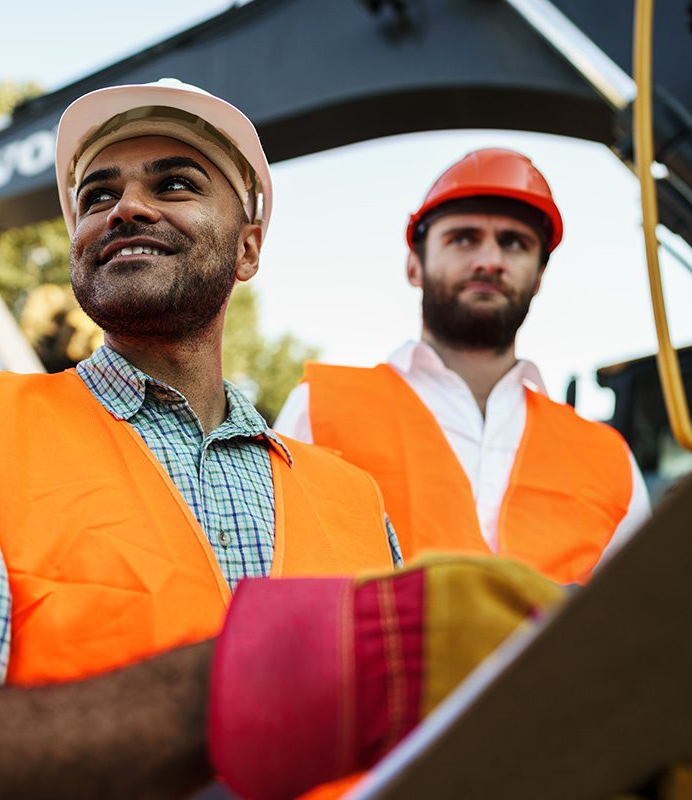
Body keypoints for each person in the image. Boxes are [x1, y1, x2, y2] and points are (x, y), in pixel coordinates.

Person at [0, 85, 562, 800]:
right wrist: (311, 669)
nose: (126, 208)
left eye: (174, 183)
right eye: (98, 194)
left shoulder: (352, 497)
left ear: (248, 248)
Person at [276, 148, 650, 584]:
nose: (489, 260)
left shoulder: (611, 460)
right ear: (414, 264)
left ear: (540, 276)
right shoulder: (319, 409)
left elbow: (641, 621)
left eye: (514, 242)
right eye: (464, 238)